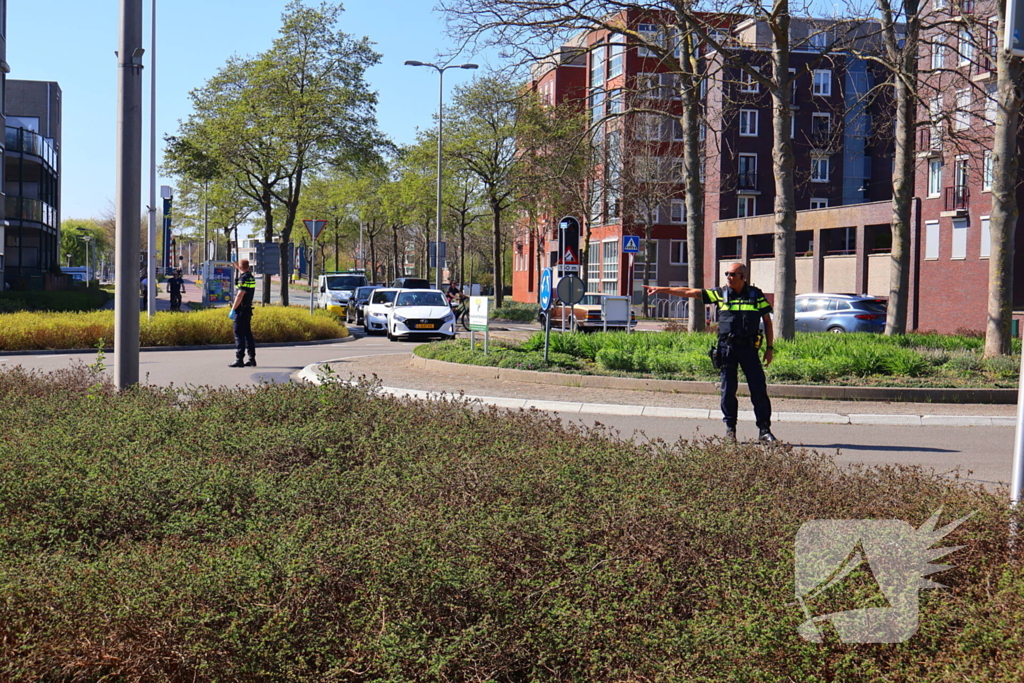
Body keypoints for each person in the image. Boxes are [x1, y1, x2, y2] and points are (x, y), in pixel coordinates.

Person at [645, 262, 777, 443]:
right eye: (727, 274)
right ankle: (730, 430)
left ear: (742, 277)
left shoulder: (755, 295)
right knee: (728, 390)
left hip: (749, 349)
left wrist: (769, 349)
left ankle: (764, 431)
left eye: (732, 274)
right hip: (727, 348)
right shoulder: (720, 293)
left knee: (758, 390)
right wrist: (662, 289)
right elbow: (690, 292)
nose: (728, 277)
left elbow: (768, 322)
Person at [229, 259, 257, 368]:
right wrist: (238, 266)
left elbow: (240, 295)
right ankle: (252, 358)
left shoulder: (243, 278)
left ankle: (239, 359)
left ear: (240, 267)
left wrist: (233, 309)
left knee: (239, 334)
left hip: (240, 310)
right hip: (247, 310)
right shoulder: (250, 277)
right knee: (247, 335)